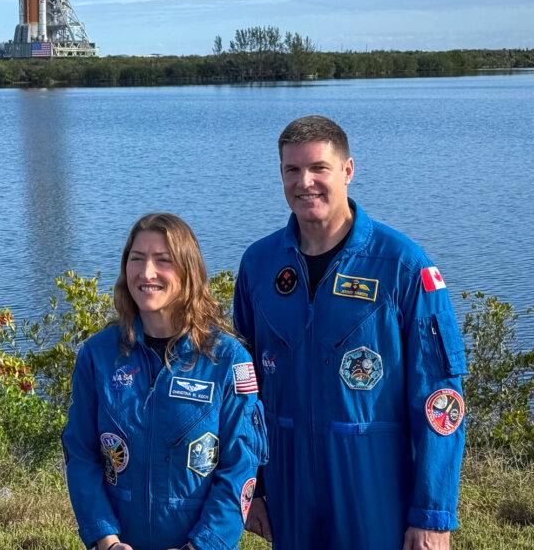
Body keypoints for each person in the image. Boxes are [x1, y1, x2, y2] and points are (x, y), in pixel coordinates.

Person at [233, 115, 466, 550]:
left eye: (319, 167)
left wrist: (433, 514)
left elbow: (439, 399)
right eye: (292, 170)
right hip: (289, 482)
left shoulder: (403, 265)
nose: (305, 182)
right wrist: (254, 488)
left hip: (373, 483)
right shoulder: (259, 265)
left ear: (348, 170)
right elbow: (245, 391)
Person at [64, 213, 268, 550]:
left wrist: (202, 545)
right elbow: (81, 455)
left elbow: (240, 467)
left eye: (163, 261)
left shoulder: (228, 361)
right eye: (137, 259)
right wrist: (106, 540)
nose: (147, 273)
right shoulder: (97, 356)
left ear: (189, 272)